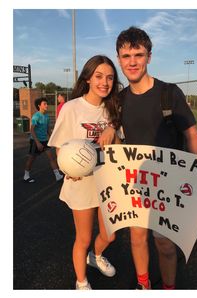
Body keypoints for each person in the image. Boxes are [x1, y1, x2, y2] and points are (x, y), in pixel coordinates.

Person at [103, 26, 197, 289]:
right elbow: (114, 125)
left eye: (138, 55)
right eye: (126, 56)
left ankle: (168, 288)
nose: (132, 62)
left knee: (165, 244)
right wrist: (111, 127)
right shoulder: (119, 100)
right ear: (119, 58)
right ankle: (143, 284)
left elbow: (191, 134)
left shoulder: (170, 93)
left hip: (167, 182)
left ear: (149, 57)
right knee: (136, 237)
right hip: (135, 181)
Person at [48, 55, 121, 290]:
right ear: (88, 78)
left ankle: (95, 256)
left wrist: (113, 130)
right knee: (84, 237)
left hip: (107, 181)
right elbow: (60, 145)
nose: (104, 82)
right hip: (81, 183)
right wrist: (67, 167)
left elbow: (121, 147)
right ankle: (81, 282)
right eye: (99, 76)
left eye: (109, 77)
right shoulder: (71, 108)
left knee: (110, 235)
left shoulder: (114, 109)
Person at [23, 97, 64, 183]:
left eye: (46, 103)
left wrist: (53, 138)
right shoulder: (36, 116)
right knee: (31, 159)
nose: (47, 105)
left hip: (44, 140)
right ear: (39, 106)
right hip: (35, 141)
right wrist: (37, 143)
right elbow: (32, 130)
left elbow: (48, 128)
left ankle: (57, 175)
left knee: (51, 157)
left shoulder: (46, 116)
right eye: (44, 104)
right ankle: (26, 176)